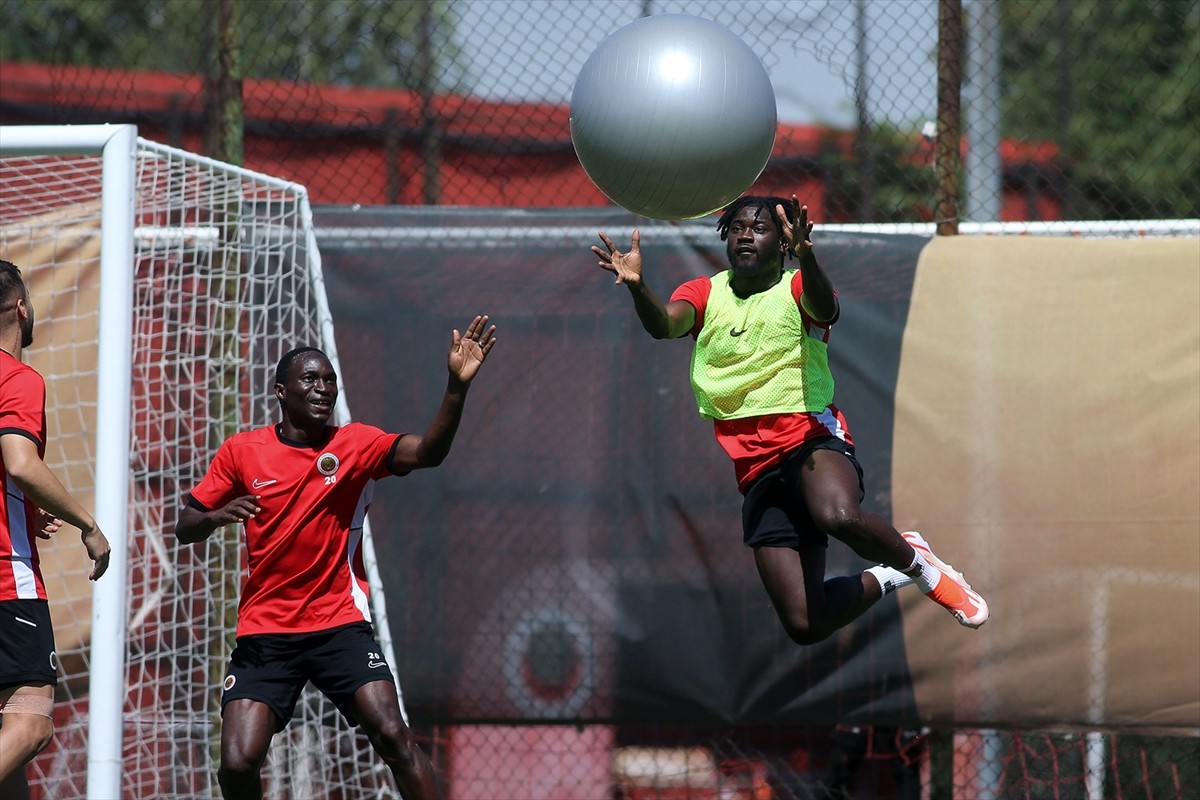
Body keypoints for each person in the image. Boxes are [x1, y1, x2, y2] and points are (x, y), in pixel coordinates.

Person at [590, 196, 987, 646]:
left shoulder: (797, 286)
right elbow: (664, 325)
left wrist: (807, 257)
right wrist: (638, 287)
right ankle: (897, 566)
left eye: (759, 228)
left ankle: (922, 570)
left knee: (839, 516)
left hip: (810, 438)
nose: (745, 235)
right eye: (737, 227)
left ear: (783, 244)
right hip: (756, 466)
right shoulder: (704, 292)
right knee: (804, 624)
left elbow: (825, 309)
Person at [174, 315, 496, 800]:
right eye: (310, 379)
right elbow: (186, 525)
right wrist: (218, 515)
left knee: (393, 736)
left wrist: (456, 387)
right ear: (281, 391)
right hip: (267, 630)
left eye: (329, 380)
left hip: (338, 623)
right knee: (238, 764)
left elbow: (429, 452)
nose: (323, 389)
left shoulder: (355, 444)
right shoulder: (242, 451)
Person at [0, 259, 112, 796]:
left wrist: (21, 504)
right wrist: (86, 524)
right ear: (22, 308)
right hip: (7, 581)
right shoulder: (16, 377)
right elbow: (20, 463)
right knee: (31, 724)